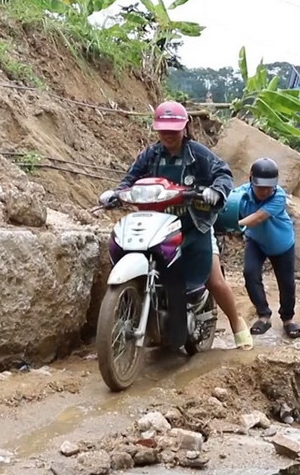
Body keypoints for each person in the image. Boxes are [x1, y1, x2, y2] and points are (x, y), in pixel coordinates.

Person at [99, 101, 253, 350]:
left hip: (193, 225)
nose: (168, 135)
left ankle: (237, 324)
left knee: (213, 280)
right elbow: (131, 178)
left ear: (186, 127)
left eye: (174, 129)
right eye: (163, 130)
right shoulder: (150, 154)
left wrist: (215, 191)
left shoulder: (199, 154)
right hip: (156, 228)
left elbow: (223, 173)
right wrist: (116, 193)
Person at [234, 157, 300, 339]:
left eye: (268, 186)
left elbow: (258, 217)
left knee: (286, 282)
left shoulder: (279, 196)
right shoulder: (241, 193)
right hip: (255, 241)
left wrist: (235, 224)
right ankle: (263, 315)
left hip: (282, 244)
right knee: (250, 274)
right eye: (260, 186)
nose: (264, 191)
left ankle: (288, 319)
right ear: (251, 180)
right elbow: (227, 204)